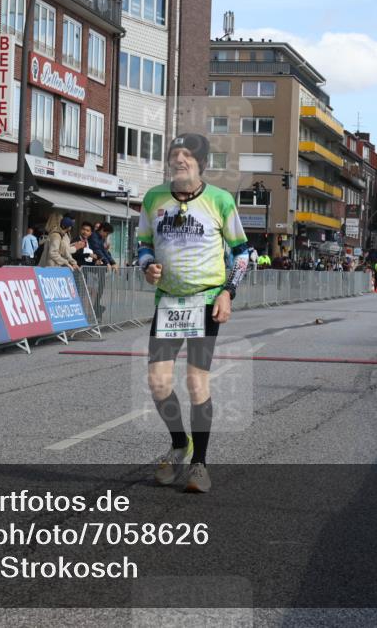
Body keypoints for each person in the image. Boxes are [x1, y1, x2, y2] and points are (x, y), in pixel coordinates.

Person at [139, 133, 249, 494]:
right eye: (175, 153)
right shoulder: (153, 198)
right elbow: (143, 245)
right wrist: (147, 266)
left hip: (205, 300)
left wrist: (228, 293)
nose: (180, 159)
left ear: (202, 163)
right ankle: (179, 444)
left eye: (187, 154)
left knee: (196, 382)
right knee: (158, 383)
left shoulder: (220, 200)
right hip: (168, 303)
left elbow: (242, 253)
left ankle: (199, 464)